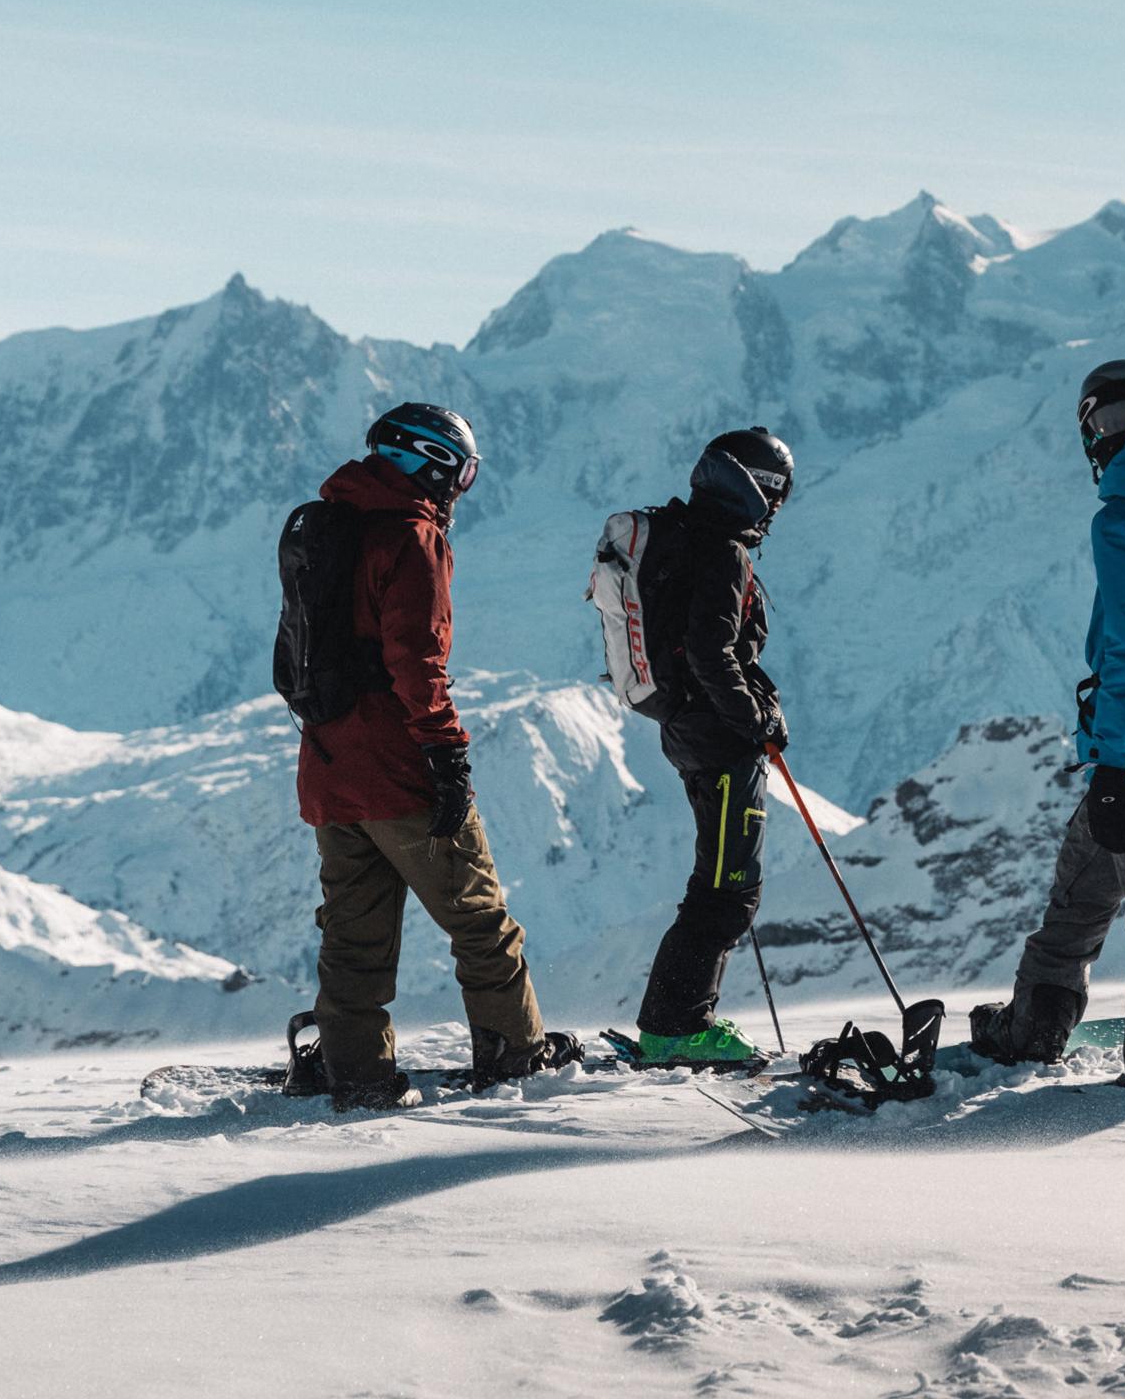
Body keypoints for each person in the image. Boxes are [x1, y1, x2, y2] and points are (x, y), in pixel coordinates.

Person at [294, 402, 568, 1109]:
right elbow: (418, 662)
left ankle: (356, 1073)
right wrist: (446, 753)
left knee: (354, 938)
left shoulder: (330, 526)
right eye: (465, 473)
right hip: (398, 768)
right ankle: (516, 1057)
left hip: (328, 768)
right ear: (433, 462)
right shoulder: (411, 537)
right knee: (480, 921)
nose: (462, 490)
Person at [969, 360, 1125, 1090]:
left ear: (1097, 428)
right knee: (1079, 893)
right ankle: (1033, 1027)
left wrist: (1113, 763)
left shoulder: (1124, 519)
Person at [630, 427, 796, 1066]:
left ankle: (674, 1022)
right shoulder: (723, 552)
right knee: (729, 889)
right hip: (719, 739)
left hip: (687, 730)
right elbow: (711, 653)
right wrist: (753, 719)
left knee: (718, 881)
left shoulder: (686, 539)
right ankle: (676, 1028)